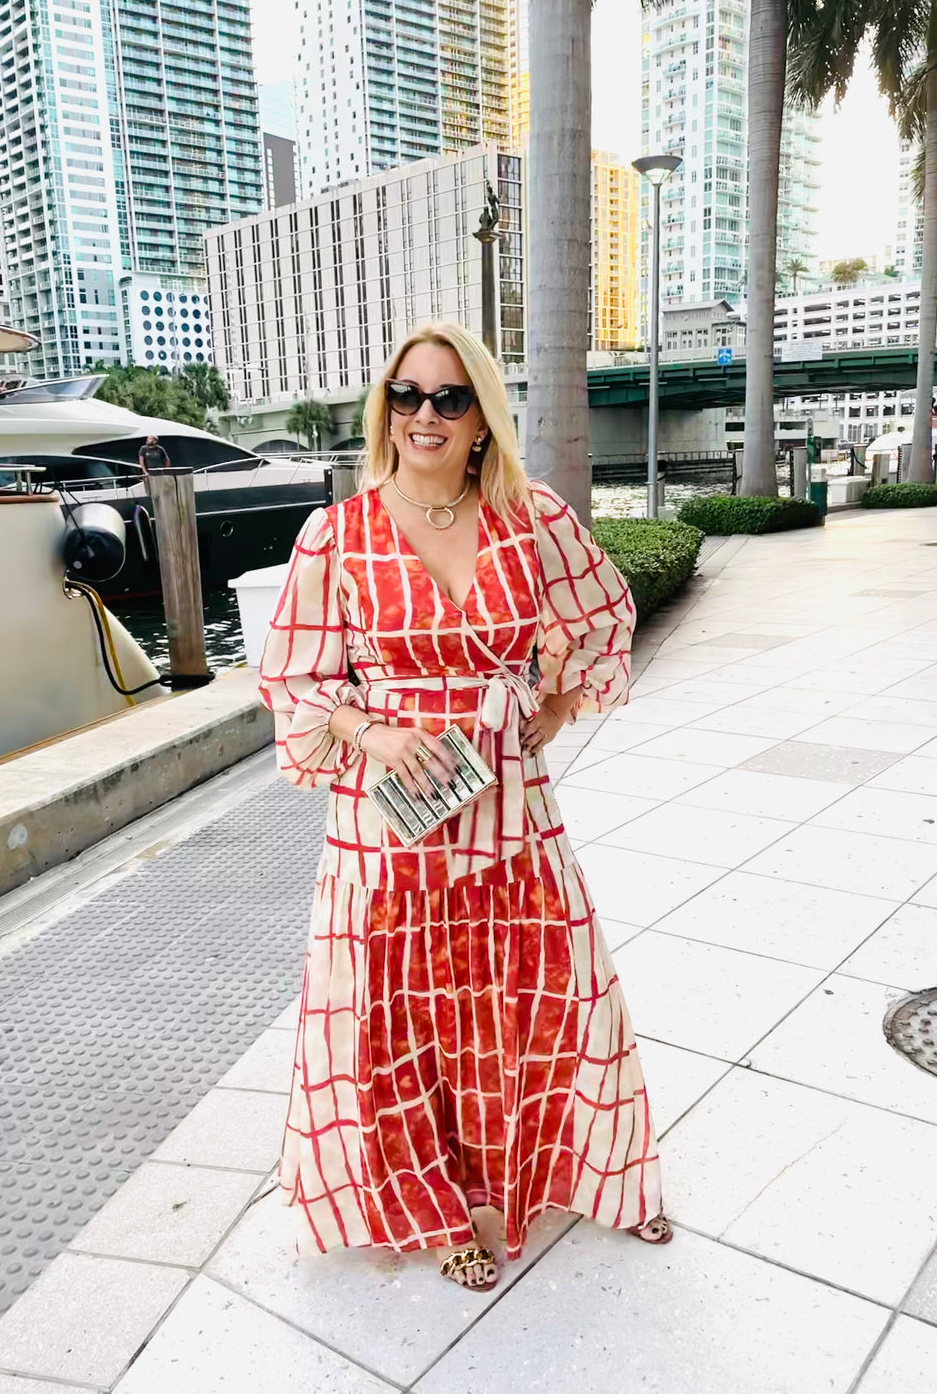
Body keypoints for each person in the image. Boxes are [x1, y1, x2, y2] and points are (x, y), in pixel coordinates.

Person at [259, 322, 667, 1293]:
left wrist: (560, 705)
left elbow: (604, 617)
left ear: (482, 418)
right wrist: (373, 732)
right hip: (389, 814)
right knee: (397, 1017)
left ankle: (574, 1172)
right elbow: (293, 677)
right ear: (384, 411)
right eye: (406, 396)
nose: (424, 416)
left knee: (543, 989)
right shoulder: (338, 534)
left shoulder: (536, 519)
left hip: (509, 804)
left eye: (448, 398)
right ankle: (432, 1208)